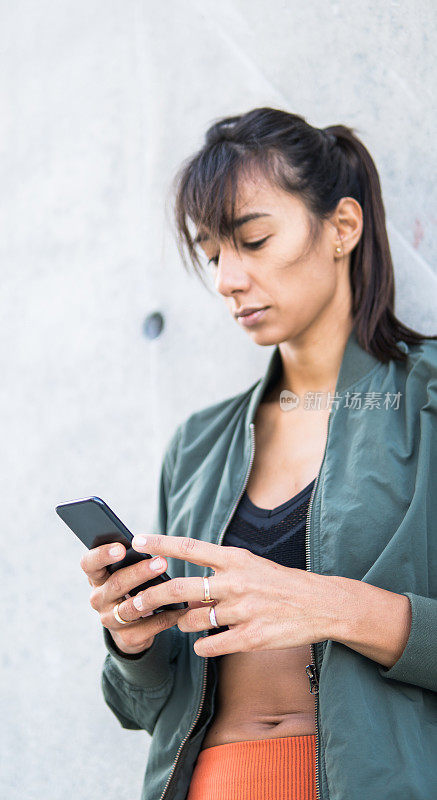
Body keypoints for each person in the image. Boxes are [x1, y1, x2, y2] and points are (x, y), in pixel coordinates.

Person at [81, 107, 437, 800]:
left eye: (252, 241)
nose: (226, 281)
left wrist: (327, 605)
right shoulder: (197, 444)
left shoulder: (425, 399)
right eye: (213, 255)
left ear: (341, 228)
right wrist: (132, 639)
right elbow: (142, 708)